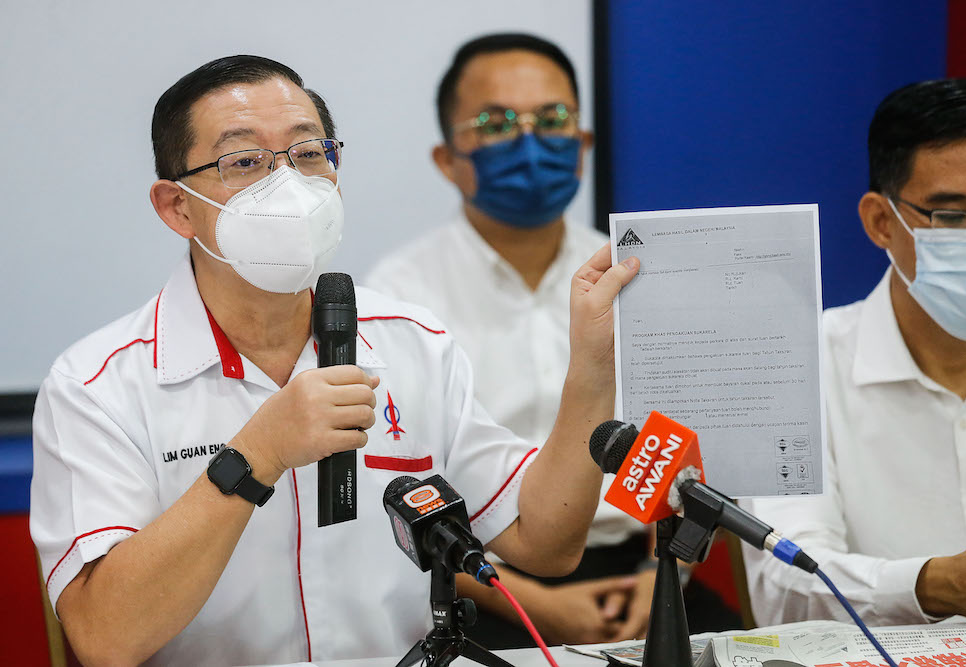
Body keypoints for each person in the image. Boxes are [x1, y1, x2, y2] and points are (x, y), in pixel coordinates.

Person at [29, 55, 640, 666]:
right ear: (176, 207)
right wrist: (256, 457)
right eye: (245, 162)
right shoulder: (96, 386)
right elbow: (104, 640)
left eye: (309, 154)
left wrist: (591, 365)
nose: (288, 185)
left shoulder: (412, 342)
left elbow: (545, 540)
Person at [366, 33, 655, 647]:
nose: (530, 142)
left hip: (647, 578)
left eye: (553, 119)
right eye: (496, 123)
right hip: (479, 587)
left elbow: (679, 432)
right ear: (448, 159)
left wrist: (665, 571)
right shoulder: (398, 300)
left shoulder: (634, 272)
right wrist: (537, 604)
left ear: (582, 146)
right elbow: (394, 494)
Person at [743, 78, 966, 626]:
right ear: (881, 221)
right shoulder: (797, 368)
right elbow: (785, 584)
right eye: (954, 217)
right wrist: (934, 585)